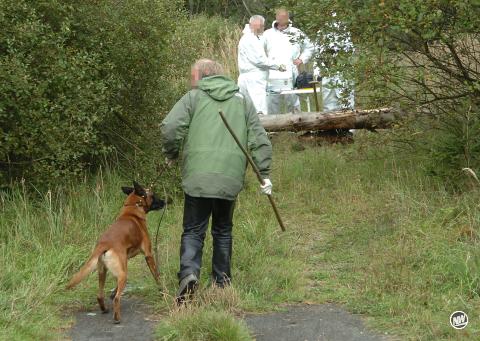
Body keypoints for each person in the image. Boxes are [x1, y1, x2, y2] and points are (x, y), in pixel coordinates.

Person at [160, 59, 273, 304]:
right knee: (222, 229)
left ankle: (189, 274)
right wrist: (264, 172)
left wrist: (171, 152)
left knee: (193, 230)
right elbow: (259, 138)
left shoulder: (194, 98)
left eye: (192, 77)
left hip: (198, 176)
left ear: (201, 76)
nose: (192, 81)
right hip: (229, 177)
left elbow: (170, 126)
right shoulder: (242, 99)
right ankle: (222, 282)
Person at [264, 8, 314, 114]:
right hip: (272, 72)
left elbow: (309, 47)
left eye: (284, 17)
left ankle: (295, 125)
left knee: (292, 100)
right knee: (271, 101)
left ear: (288, 18)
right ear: (276, 17)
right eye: (280, 16)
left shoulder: (296, 32)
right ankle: (273, 126)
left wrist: (301, 59)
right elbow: (259, 51)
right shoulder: (267, 34)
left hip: (291, 71)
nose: (282, 19)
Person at [237, 15, 285, 115]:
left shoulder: (250, 37)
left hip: (246, 76)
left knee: (246, 108)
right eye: (260, 26)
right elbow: (260, 61)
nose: (262, 28)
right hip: (254, 77)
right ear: (253, 25)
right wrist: (278, 66)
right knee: (260, 108)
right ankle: (264, 129)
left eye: (262, 26)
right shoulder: (250, 39)